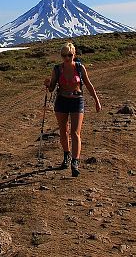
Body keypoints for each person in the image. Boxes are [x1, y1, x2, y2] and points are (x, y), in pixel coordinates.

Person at [44, 42, 101, 177]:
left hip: (77, 100)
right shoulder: (57, 69)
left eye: (69, 55)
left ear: (74, 54)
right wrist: (48, 84)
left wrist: (96, 101)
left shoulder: (80, 68)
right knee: (63, 132)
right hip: (62, 101)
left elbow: (88, 84)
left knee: (75, 133)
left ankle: (75, 162)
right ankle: (66, 155)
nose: (67, 58)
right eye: (64, 55)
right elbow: (52, 88)